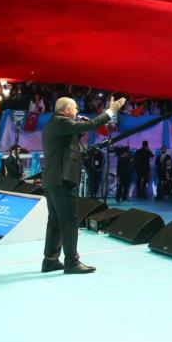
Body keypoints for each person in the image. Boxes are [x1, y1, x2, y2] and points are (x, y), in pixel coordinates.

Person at [41, 95, 123, 274]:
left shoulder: (54, 124)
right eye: (75, 108)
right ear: (66, 110)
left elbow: (71, 138)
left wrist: (81, 129)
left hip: (52, 180)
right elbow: (90, 125)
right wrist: (111, 111)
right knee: (70, 221)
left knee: (55, 221)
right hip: (63, 180)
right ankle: (71, 262)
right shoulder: (62, 122)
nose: (77, 111)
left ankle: (50, 260)